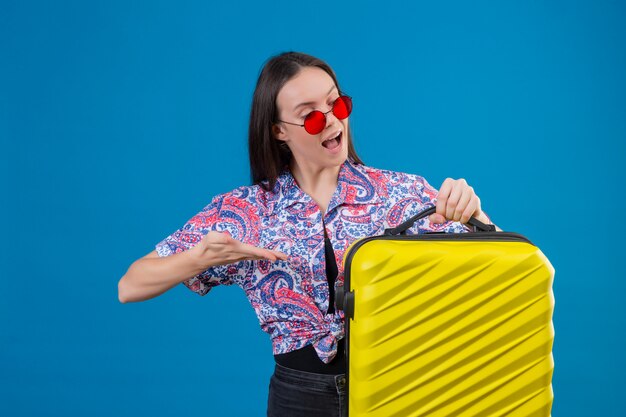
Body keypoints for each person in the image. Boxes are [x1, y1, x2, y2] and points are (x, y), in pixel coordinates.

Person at [118, 51, 501, 417]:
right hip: (298, 398)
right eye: (312, 118)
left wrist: (475, 215)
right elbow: (130, 286)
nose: (332, 121)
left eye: (337, 105)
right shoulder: (246, 211)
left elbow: (503, 262)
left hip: (398, 384)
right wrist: (197, 260)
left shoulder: (401, 193)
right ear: (279, 131)